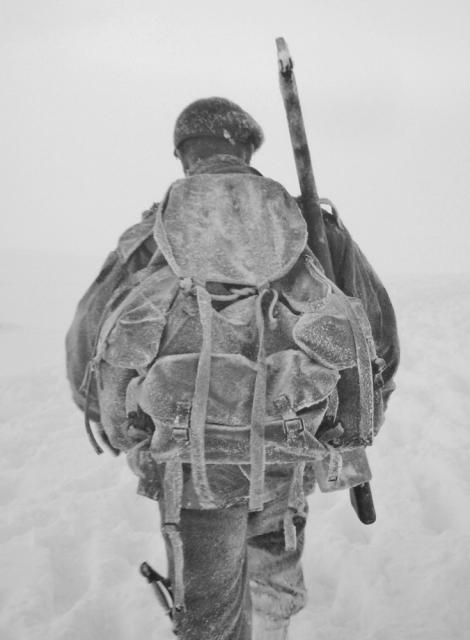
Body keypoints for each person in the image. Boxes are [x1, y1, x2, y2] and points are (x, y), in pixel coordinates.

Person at [66, 97, 399, 640]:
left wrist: (118, 418)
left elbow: (88, 338)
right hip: (286, 438)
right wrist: (357, 415)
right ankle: (271, 625)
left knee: (210, 612)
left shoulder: (155, 234)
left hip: (192, 460)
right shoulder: (308, 225)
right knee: (274, 561)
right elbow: (375, 331)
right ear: (246, 148)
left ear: (184, 155)